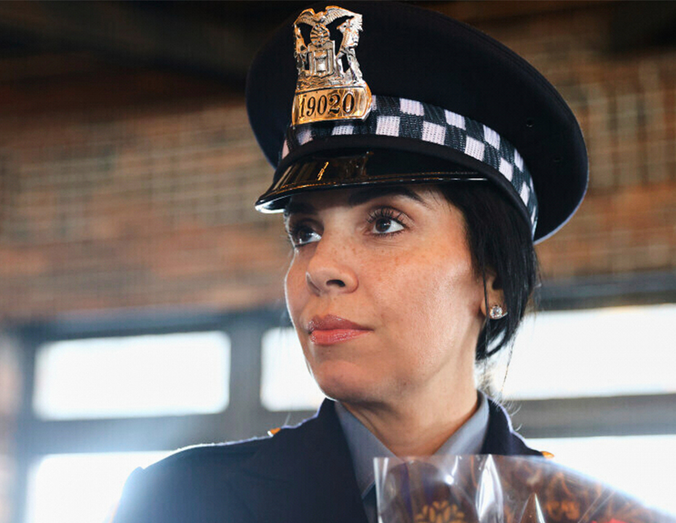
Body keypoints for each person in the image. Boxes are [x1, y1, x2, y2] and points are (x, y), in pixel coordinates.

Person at [111, 2, 587, 522]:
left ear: (495, 279)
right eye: (305, 232)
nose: (320, 267)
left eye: (384, 223)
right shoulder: (180, 502)